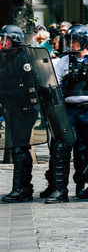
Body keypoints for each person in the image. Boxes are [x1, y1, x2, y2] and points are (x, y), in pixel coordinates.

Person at [44, 24, 88, 203]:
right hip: (69, 111)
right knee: (61, 148)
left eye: (76, 41)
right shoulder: (63, 61)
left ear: (85, 42)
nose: (72, 44)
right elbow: (54, 84)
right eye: (70, 41)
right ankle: (60, 190)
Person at [0, 25, 40, 202]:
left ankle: (20, 188)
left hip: (24, 108)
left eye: (5, 38)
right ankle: (24, 187)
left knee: (20, 147)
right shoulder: (7, 57)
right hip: (13, 108)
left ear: (14, 39)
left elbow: (27, 87)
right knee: (19, 147)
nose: (2, 42)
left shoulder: (22, 56)